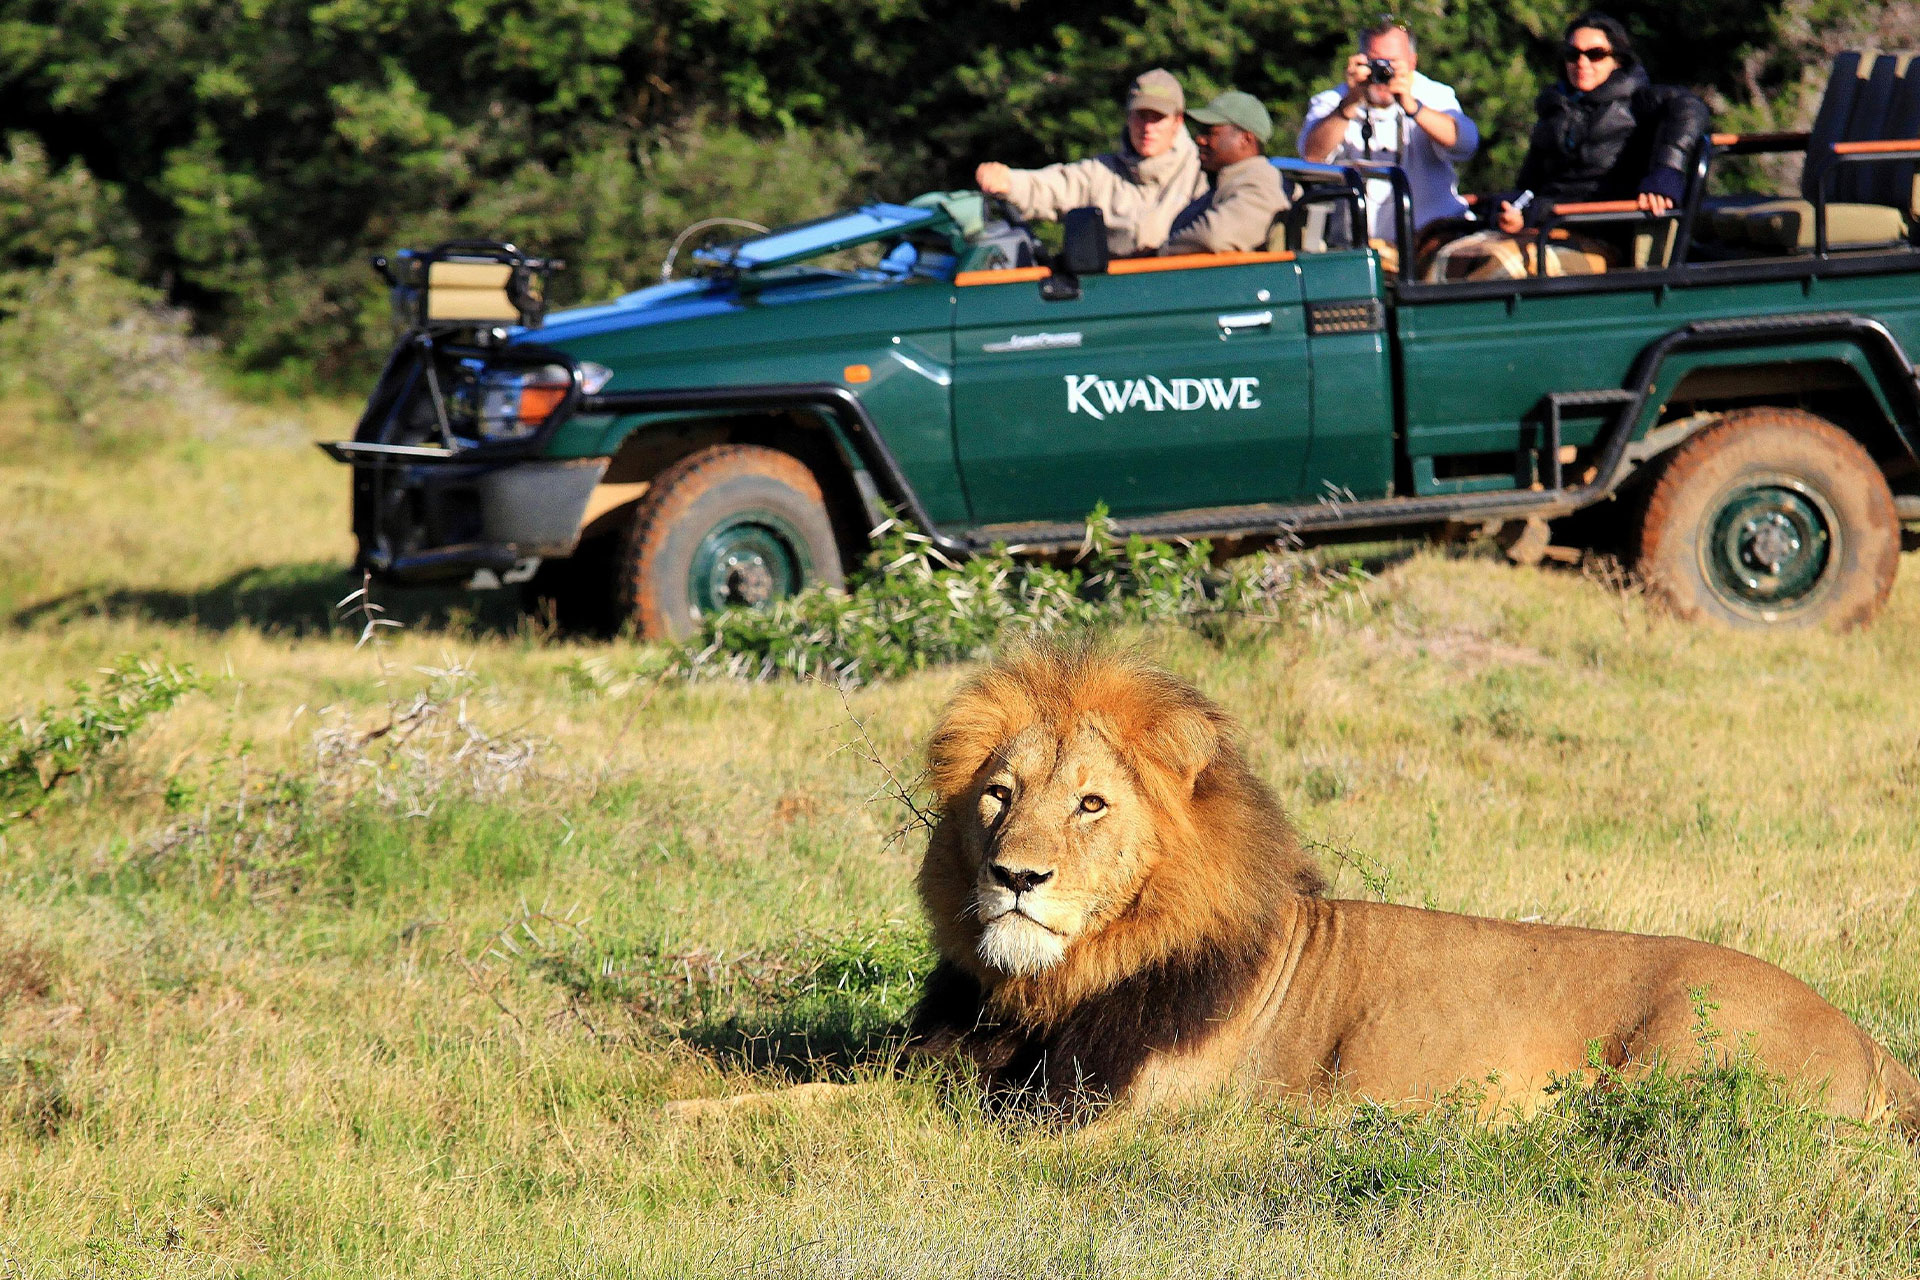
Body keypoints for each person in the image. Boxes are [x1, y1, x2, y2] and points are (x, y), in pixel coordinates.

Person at [1493, 13, 1710, 236]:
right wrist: (1510, 209)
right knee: (1463, 257)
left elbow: (1690, 107)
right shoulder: (1554, 109)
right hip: (1545, 228)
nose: (1581, 63)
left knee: (1501, 266)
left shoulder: (1637, 101)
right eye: (1572, 54)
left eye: (1595, 54)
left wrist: (1667, 173)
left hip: (1600, 232)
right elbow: (1529, 185)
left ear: (1618, 60)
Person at [975, 69, 1209, 258]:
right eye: (1141, 115)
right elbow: (1055, 186)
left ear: (1177, 121)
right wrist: (1008, 182)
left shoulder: (1203, 172)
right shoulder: (1102, 172)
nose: (1148, 128)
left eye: (1158, 117)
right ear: (1128, 118)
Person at [1299, 18, 1479, 248]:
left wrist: (1412, 107)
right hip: (1360, 246)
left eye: (1392, 63)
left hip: (1431, 240)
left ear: (1412, 62)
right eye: (1375, 62)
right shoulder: (1335, 100)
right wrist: (1350, 104)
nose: (1383, 72)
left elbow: (1466, 144)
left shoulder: (1434, 95)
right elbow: (1311, 155)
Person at [1160, 91, 1290, 255]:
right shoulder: (1226, 183)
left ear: (1246, 139)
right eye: (1201, 132)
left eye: (1211, 132)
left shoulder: (1262, 180)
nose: (1200, 139)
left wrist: (1159, 254)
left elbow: (1214, 237)